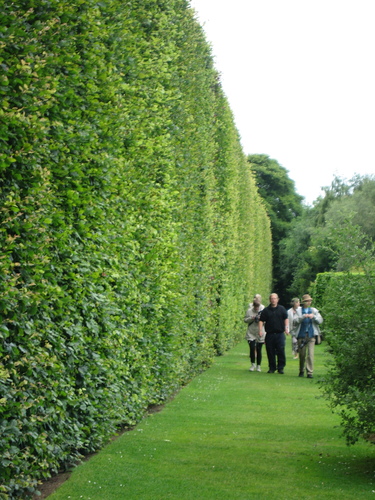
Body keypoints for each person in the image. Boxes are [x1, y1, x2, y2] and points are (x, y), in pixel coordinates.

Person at [258, 293, 289, 374]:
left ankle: (281, 368)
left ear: (277, 299)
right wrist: (260, 330)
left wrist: (286, 328)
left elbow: (286, 318)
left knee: (281, 350)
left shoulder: (282, 309)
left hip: (280, 334)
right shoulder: (266, 310)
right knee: (270, 351)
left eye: (275, 298)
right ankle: (272, 367)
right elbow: (261, 320)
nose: (273, 300)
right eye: (272, 298)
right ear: (269, 300)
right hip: (270, 334)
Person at [295, 294, 323, 379]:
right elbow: (295, 321)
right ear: (304, 302)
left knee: (310, 354)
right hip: (301, 334)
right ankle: (301, 370)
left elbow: (320, 320)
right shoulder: (299, 311)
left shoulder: (314, 310)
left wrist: (313, 317)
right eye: (307, 301)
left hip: (311, 335)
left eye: (310, 301)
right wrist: (303, 317)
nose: (309, 302)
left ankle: (310, 372)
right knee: (302, 354)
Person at [244, 294, 266, 372]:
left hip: (260, 332)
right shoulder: (249, 311)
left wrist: (261, 319)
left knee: (259, 349)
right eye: (255, 307)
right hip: (251, 332)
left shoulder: (263, 310)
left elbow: (266, 321)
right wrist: (251, 318)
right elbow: (245, 320)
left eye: (257, 307)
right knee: (252, 348)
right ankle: (253, 364)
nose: (256, 308)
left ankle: (258, 365)